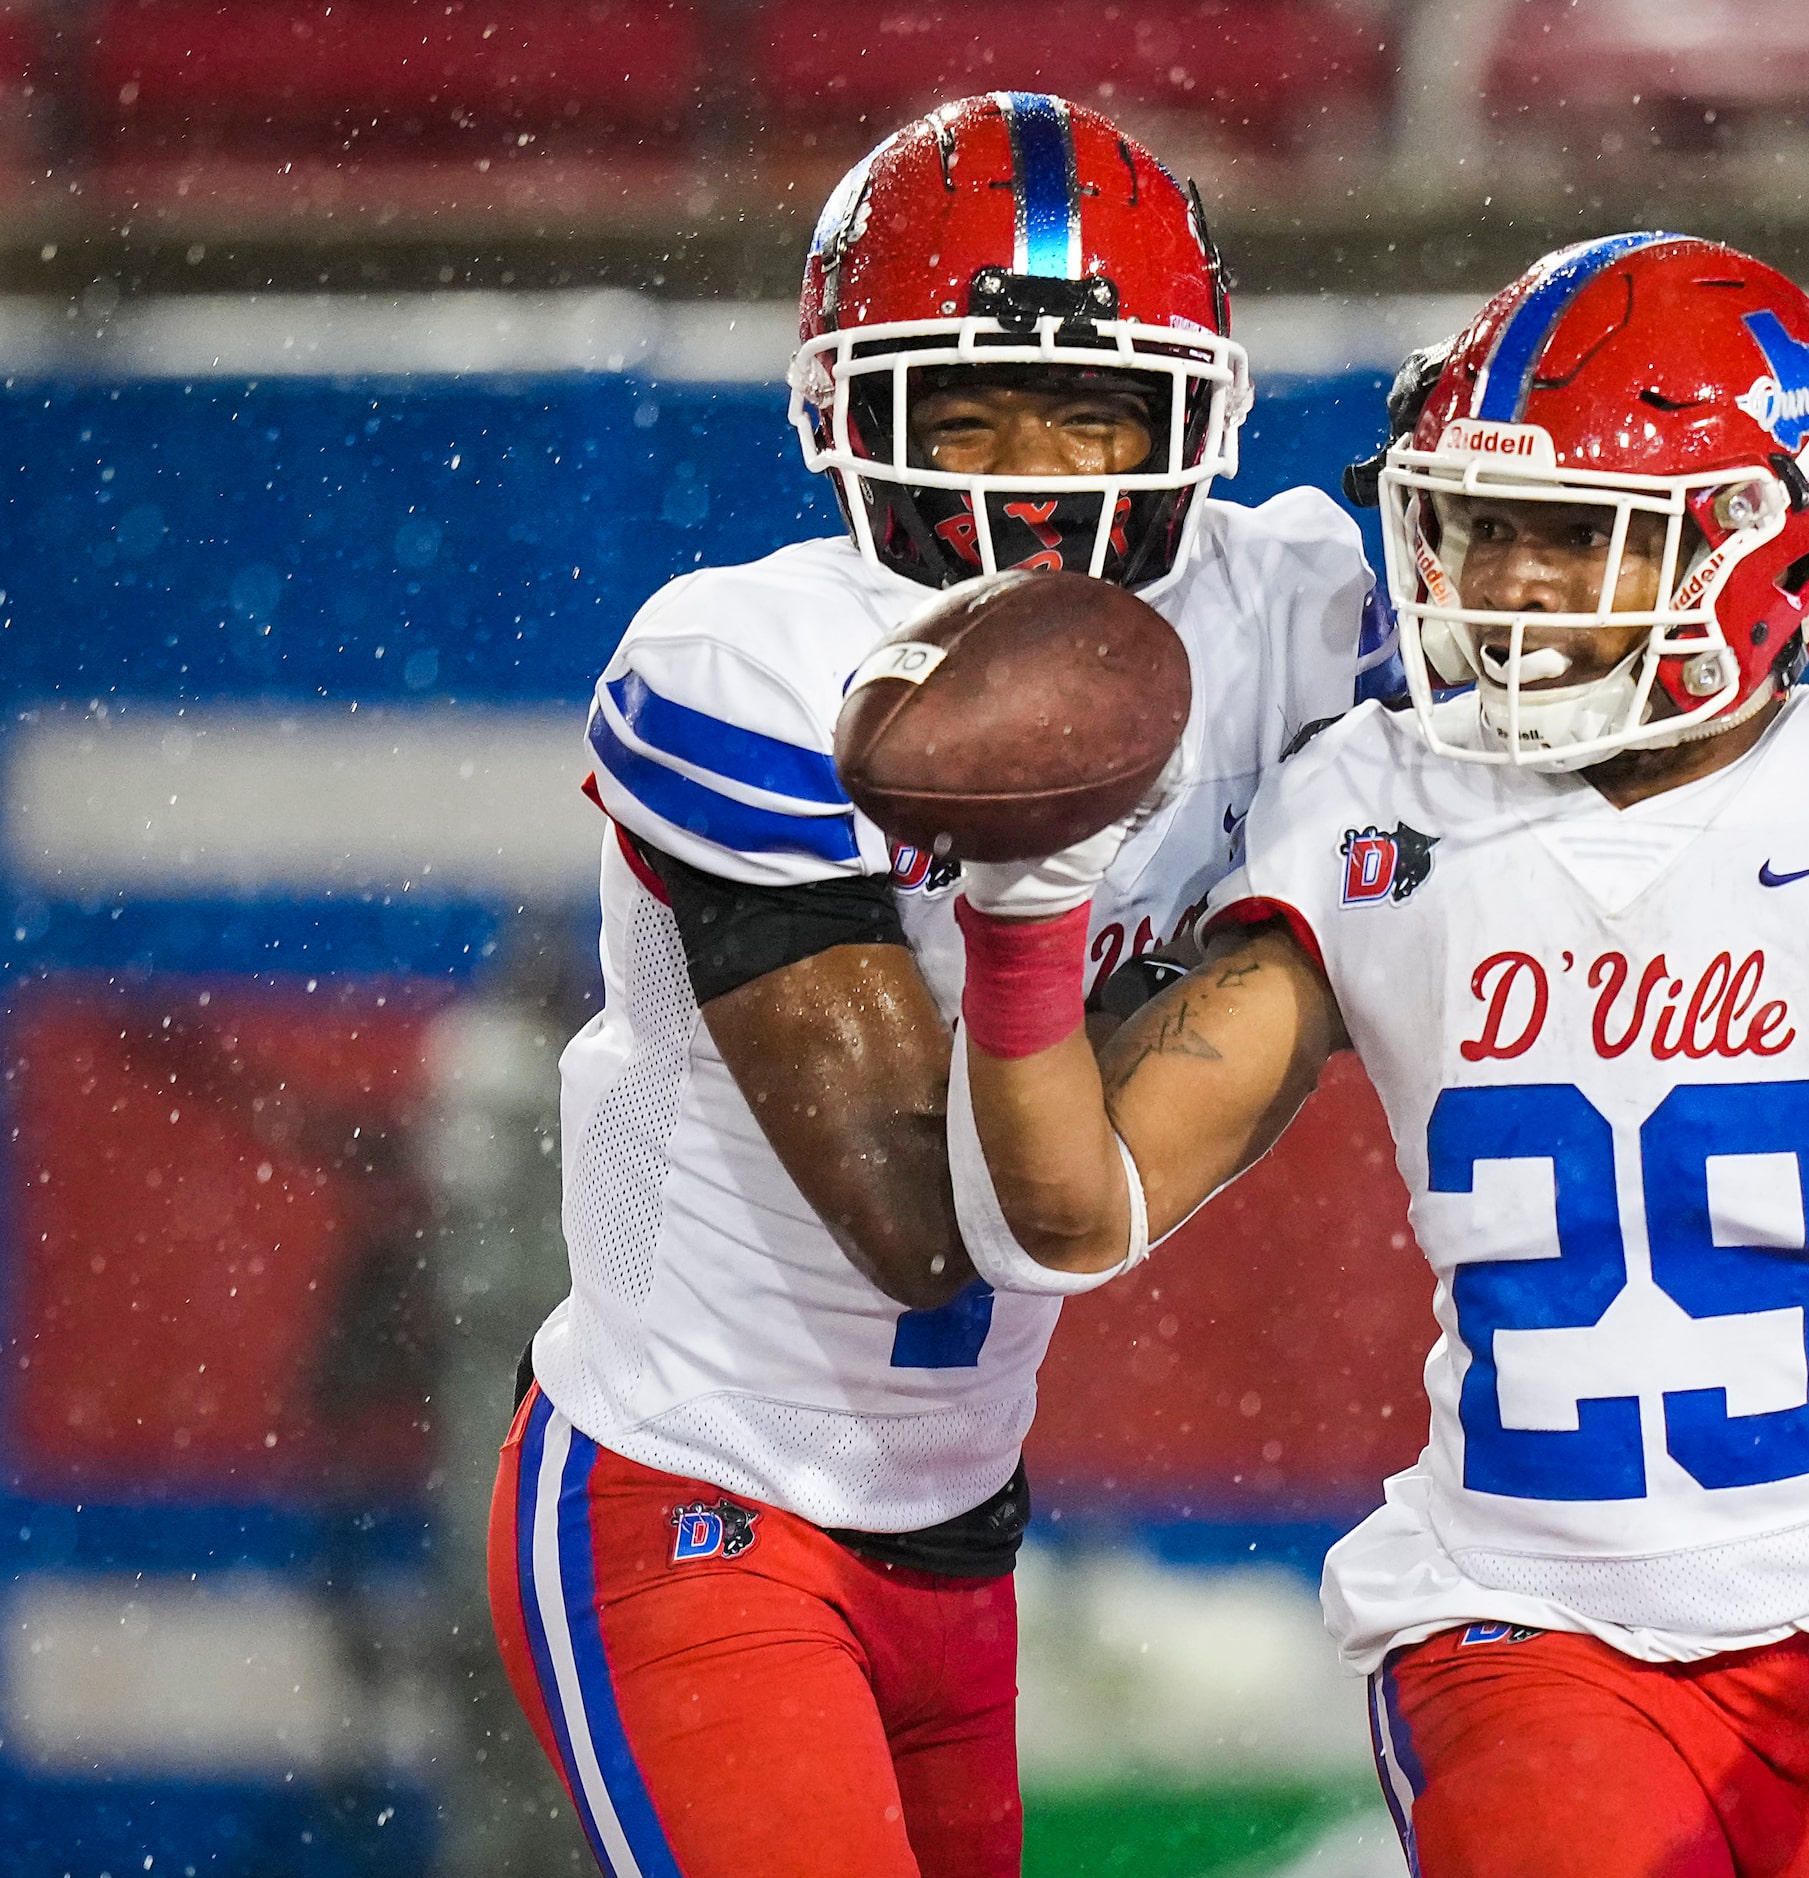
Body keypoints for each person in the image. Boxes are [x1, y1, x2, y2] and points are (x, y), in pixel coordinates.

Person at [937, 233, 1809, 1877]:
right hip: (1516, 1621)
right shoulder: (1377, 803)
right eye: (1477, 523)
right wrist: (1022, 919)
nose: (1499, 585)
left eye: (1572, 537)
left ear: (1770, 547)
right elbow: (1078, 1210)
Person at [483, 92, 1393, 1878]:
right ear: (850, 426)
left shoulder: (1292, 605)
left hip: (957, 1521)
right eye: (963, 410)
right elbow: (928, 1214)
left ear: (1192, 418)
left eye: (1092, 410)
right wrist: (1217, 955)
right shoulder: (745, 662)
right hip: (699, 1494)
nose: (1036, 477)